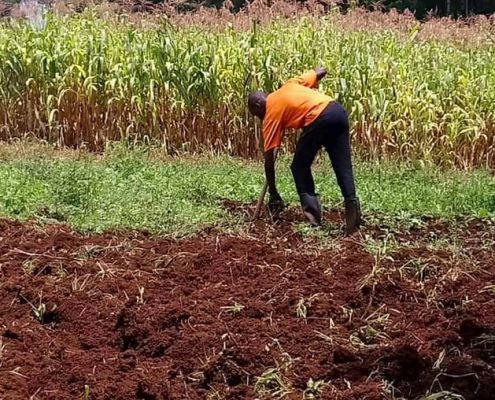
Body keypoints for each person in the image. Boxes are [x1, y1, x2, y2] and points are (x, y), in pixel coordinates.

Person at [248, 67, 362, 235]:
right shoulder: (290, 84)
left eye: (256, 114)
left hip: (319, 119)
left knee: (299, 166)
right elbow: (320, 71)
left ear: (258, 105)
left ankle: (314, 221)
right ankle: (353, 220)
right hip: (337, 111)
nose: (259, 118)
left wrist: (273, 192)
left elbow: (269, 160)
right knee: (342, 166)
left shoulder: (270, 113)